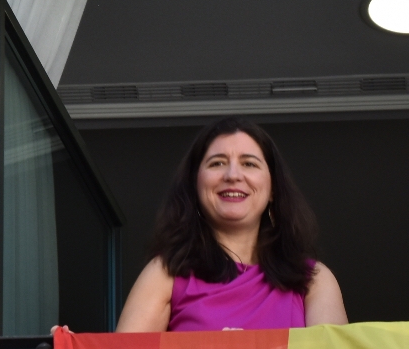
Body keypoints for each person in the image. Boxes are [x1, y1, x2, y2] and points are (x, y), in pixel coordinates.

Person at [118, 117, 347, 332]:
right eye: (217, 163)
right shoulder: (165, 273)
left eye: (249, 163)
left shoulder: (314, 280)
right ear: (195, 186)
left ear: (273, 189)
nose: (233, 175)